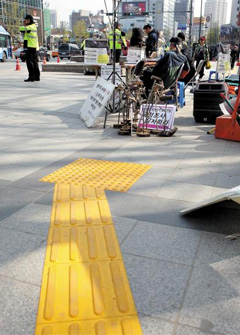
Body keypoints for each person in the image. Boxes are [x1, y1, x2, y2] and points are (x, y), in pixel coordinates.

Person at [19, 14, 40, 82]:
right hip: (33, 46)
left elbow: (21, 29)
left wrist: (24, 25)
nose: (24, 21)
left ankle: (31, 77)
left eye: (25, 20)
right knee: (34, 62)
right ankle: (37, 76)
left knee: (29, 62)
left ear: (28, 20)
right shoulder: (33, 26)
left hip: (30, 46)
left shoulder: (30, 27)